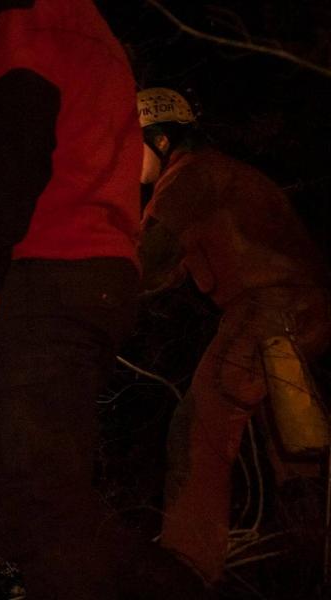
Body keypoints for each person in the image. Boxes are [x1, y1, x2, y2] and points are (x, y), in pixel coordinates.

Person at [0, 2, 207, 598]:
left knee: (35, 510)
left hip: (45, 269)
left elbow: (18, 134)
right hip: (99, 274)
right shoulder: (99, 36)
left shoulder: (34, 21)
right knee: (54, 502)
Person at [137, 87, 331, 585]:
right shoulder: (235, 173)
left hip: (265, 311)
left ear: (158, 140)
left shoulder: (184, 180)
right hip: (310, 309)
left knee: (198, 428)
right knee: (292, 437)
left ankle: (187, 567)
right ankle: (304, 550)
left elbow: (146, 267)